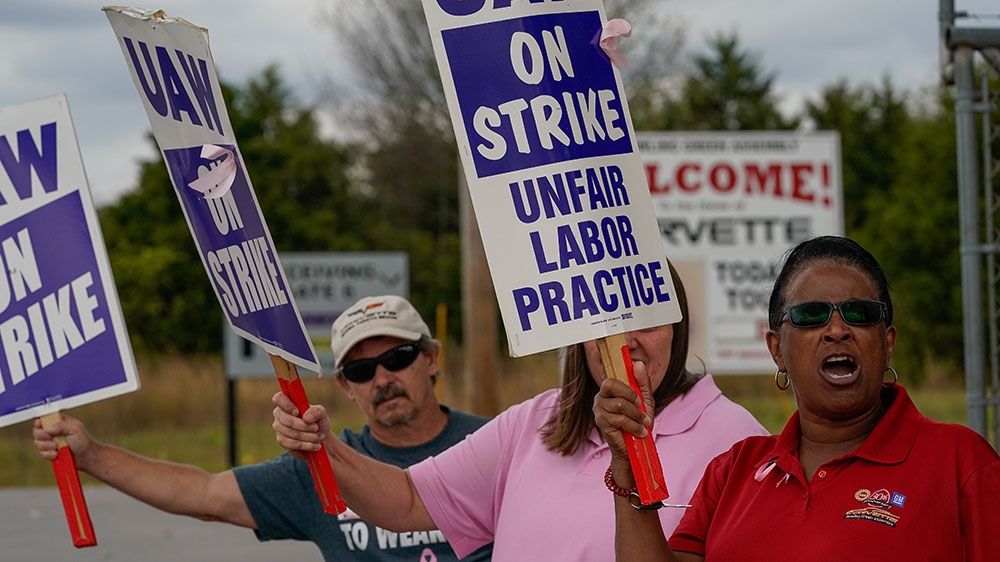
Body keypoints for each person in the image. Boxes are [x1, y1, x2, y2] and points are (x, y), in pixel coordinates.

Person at [272, 262, 769, 560]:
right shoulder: (534, 423)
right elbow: (405, 502)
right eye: (608, 320)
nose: (628, 340)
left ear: (678, 328)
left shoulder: (735, 437)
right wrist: (322, 445)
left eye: (649, 318)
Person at [595, 235, 1000, 561]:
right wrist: (631, 461)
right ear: (777, 349)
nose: (838, 330)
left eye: (859, 313)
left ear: (887, 341)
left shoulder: (961, 463)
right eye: (811, 315)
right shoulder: (733, 472)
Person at [34, 295, 492, 562]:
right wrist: (90, 453)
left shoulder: (496, 446)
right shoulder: (321, 463)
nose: (382, 379)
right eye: (361, 370)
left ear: (431, 359)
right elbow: (205, 495)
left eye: (397, 358)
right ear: (345, 387)